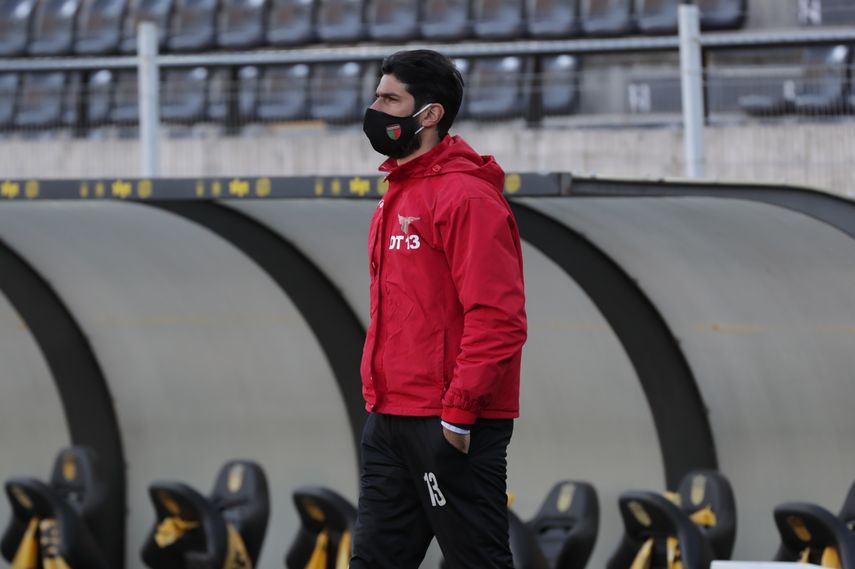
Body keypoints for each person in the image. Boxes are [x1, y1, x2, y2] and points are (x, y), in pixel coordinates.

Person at [351, 49, 527, 569]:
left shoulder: (467, 197)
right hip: (389, 417)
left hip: (450, 423)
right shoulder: (396, 194)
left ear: (429, 115)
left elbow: (498, 317)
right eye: (377, 97)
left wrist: (459, 414)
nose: (375, 109)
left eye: (390, 99)